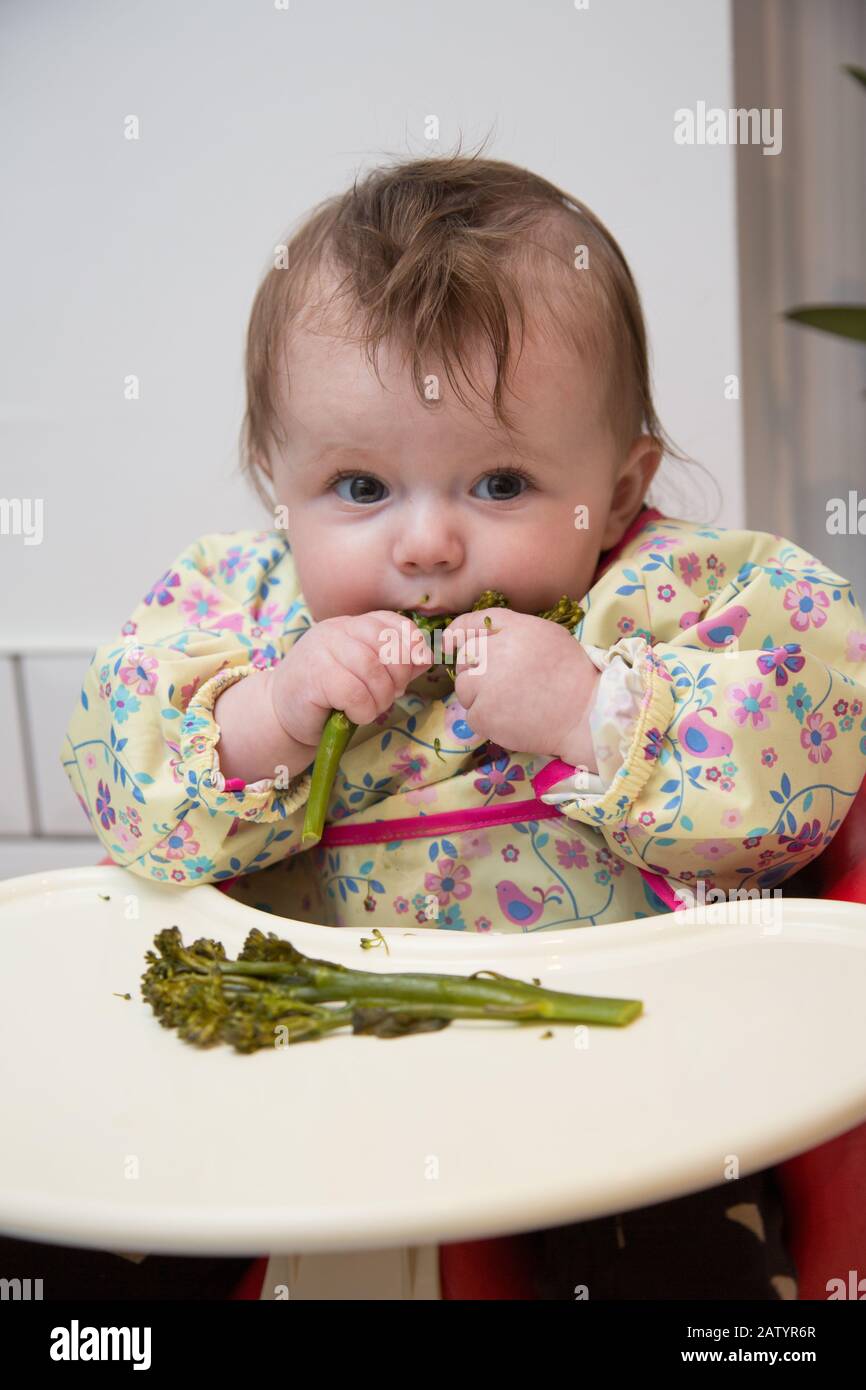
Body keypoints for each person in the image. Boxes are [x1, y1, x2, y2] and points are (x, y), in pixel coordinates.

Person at [60, 151, 866, 1298]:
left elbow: (808, 751)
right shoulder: (237, 612)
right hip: (307, 1075)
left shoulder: (678, 598)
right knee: (98, 1226)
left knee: (695, 1268)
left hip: (622, 1086)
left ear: (622, 489)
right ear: (272, 483)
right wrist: (267, 716)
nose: (426, 544)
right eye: (357, 487)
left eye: (497, 484)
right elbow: (117, 766)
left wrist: (595, 711)